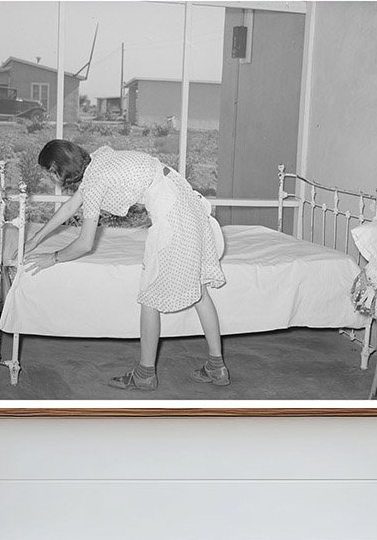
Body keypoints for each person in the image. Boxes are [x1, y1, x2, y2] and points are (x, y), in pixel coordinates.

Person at [22, 140, 229, 391]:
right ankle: (217, 367)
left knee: (150, 298)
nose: (49, 177)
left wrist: (52, 258)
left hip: (174, 214)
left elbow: (85, 243)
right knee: (199, 291)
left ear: (57, 169)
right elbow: (70, 206)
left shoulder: (96, 179)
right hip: (188, 205)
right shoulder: (98, 160)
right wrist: (36, 238)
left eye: (49, 172)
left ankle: (144, 374)